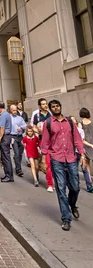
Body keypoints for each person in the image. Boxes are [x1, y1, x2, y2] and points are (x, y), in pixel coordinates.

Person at [41, 99, 85, 231]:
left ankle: (72, 204)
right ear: (51, 109)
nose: (56, 108)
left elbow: (77, 139)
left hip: (71, 158)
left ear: (61, 107)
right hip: (56, 159)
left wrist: (82, 154)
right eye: (53, 107)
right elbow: (45, 142)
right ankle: (66, 219)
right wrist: (43, 160)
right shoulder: (48, 123)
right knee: (61, 189)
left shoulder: (70, 122)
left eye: (57, 106)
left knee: (75, 187)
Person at [32, 98, 54, 192]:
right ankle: (50, 184)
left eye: (46, 103)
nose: (45, 105)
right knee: (48, 162)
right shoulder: (37, 116)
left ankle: (53, 180)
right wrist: (39, 131)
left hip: (53, 141)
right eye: (43, 104)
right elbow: (33, 126)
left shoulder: (51, 115)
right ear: (39, 106)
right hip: (43, 141)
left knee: (54, 163)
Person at [0, 101, 13, 182]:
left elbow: (2, 128)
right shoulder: (7, 114)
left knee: (6, 157)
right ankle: (8, 175)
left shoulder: (3, 115)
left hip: (5, 137)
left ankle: (8, 176)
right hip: (7, 137)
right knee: (5, 157)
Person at [78, 108, 93, 192]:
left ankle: (89, 183)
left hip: (86, 145)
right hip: (92, 145)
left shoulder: (80, 123)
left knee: (86, 165)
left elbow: (81, 137)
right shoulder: (91, 122)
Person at [10, 104, 26, 176]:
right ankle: (18, 169)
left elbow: (24, 125)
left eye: (16, 110)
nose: (15, 112)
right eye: (13, 110)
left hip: (20, 137)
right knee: (16, 153)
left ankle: (17, 162)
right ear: (10, 110)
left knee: (20, 154)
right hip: (13, 137)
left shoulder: (20, 118)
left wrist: (21, 127)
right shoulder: (9, 118)